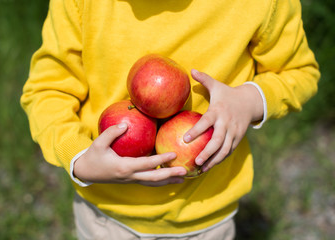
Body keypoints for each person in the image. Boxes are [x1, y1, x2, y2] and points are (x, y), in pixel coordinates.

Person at [20, 0, 320, 239]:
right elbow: (48, 89)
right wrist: (79, 157)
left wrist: (250, 100)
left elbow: (299, 72)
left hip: (207, 216)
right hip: (107, 216)